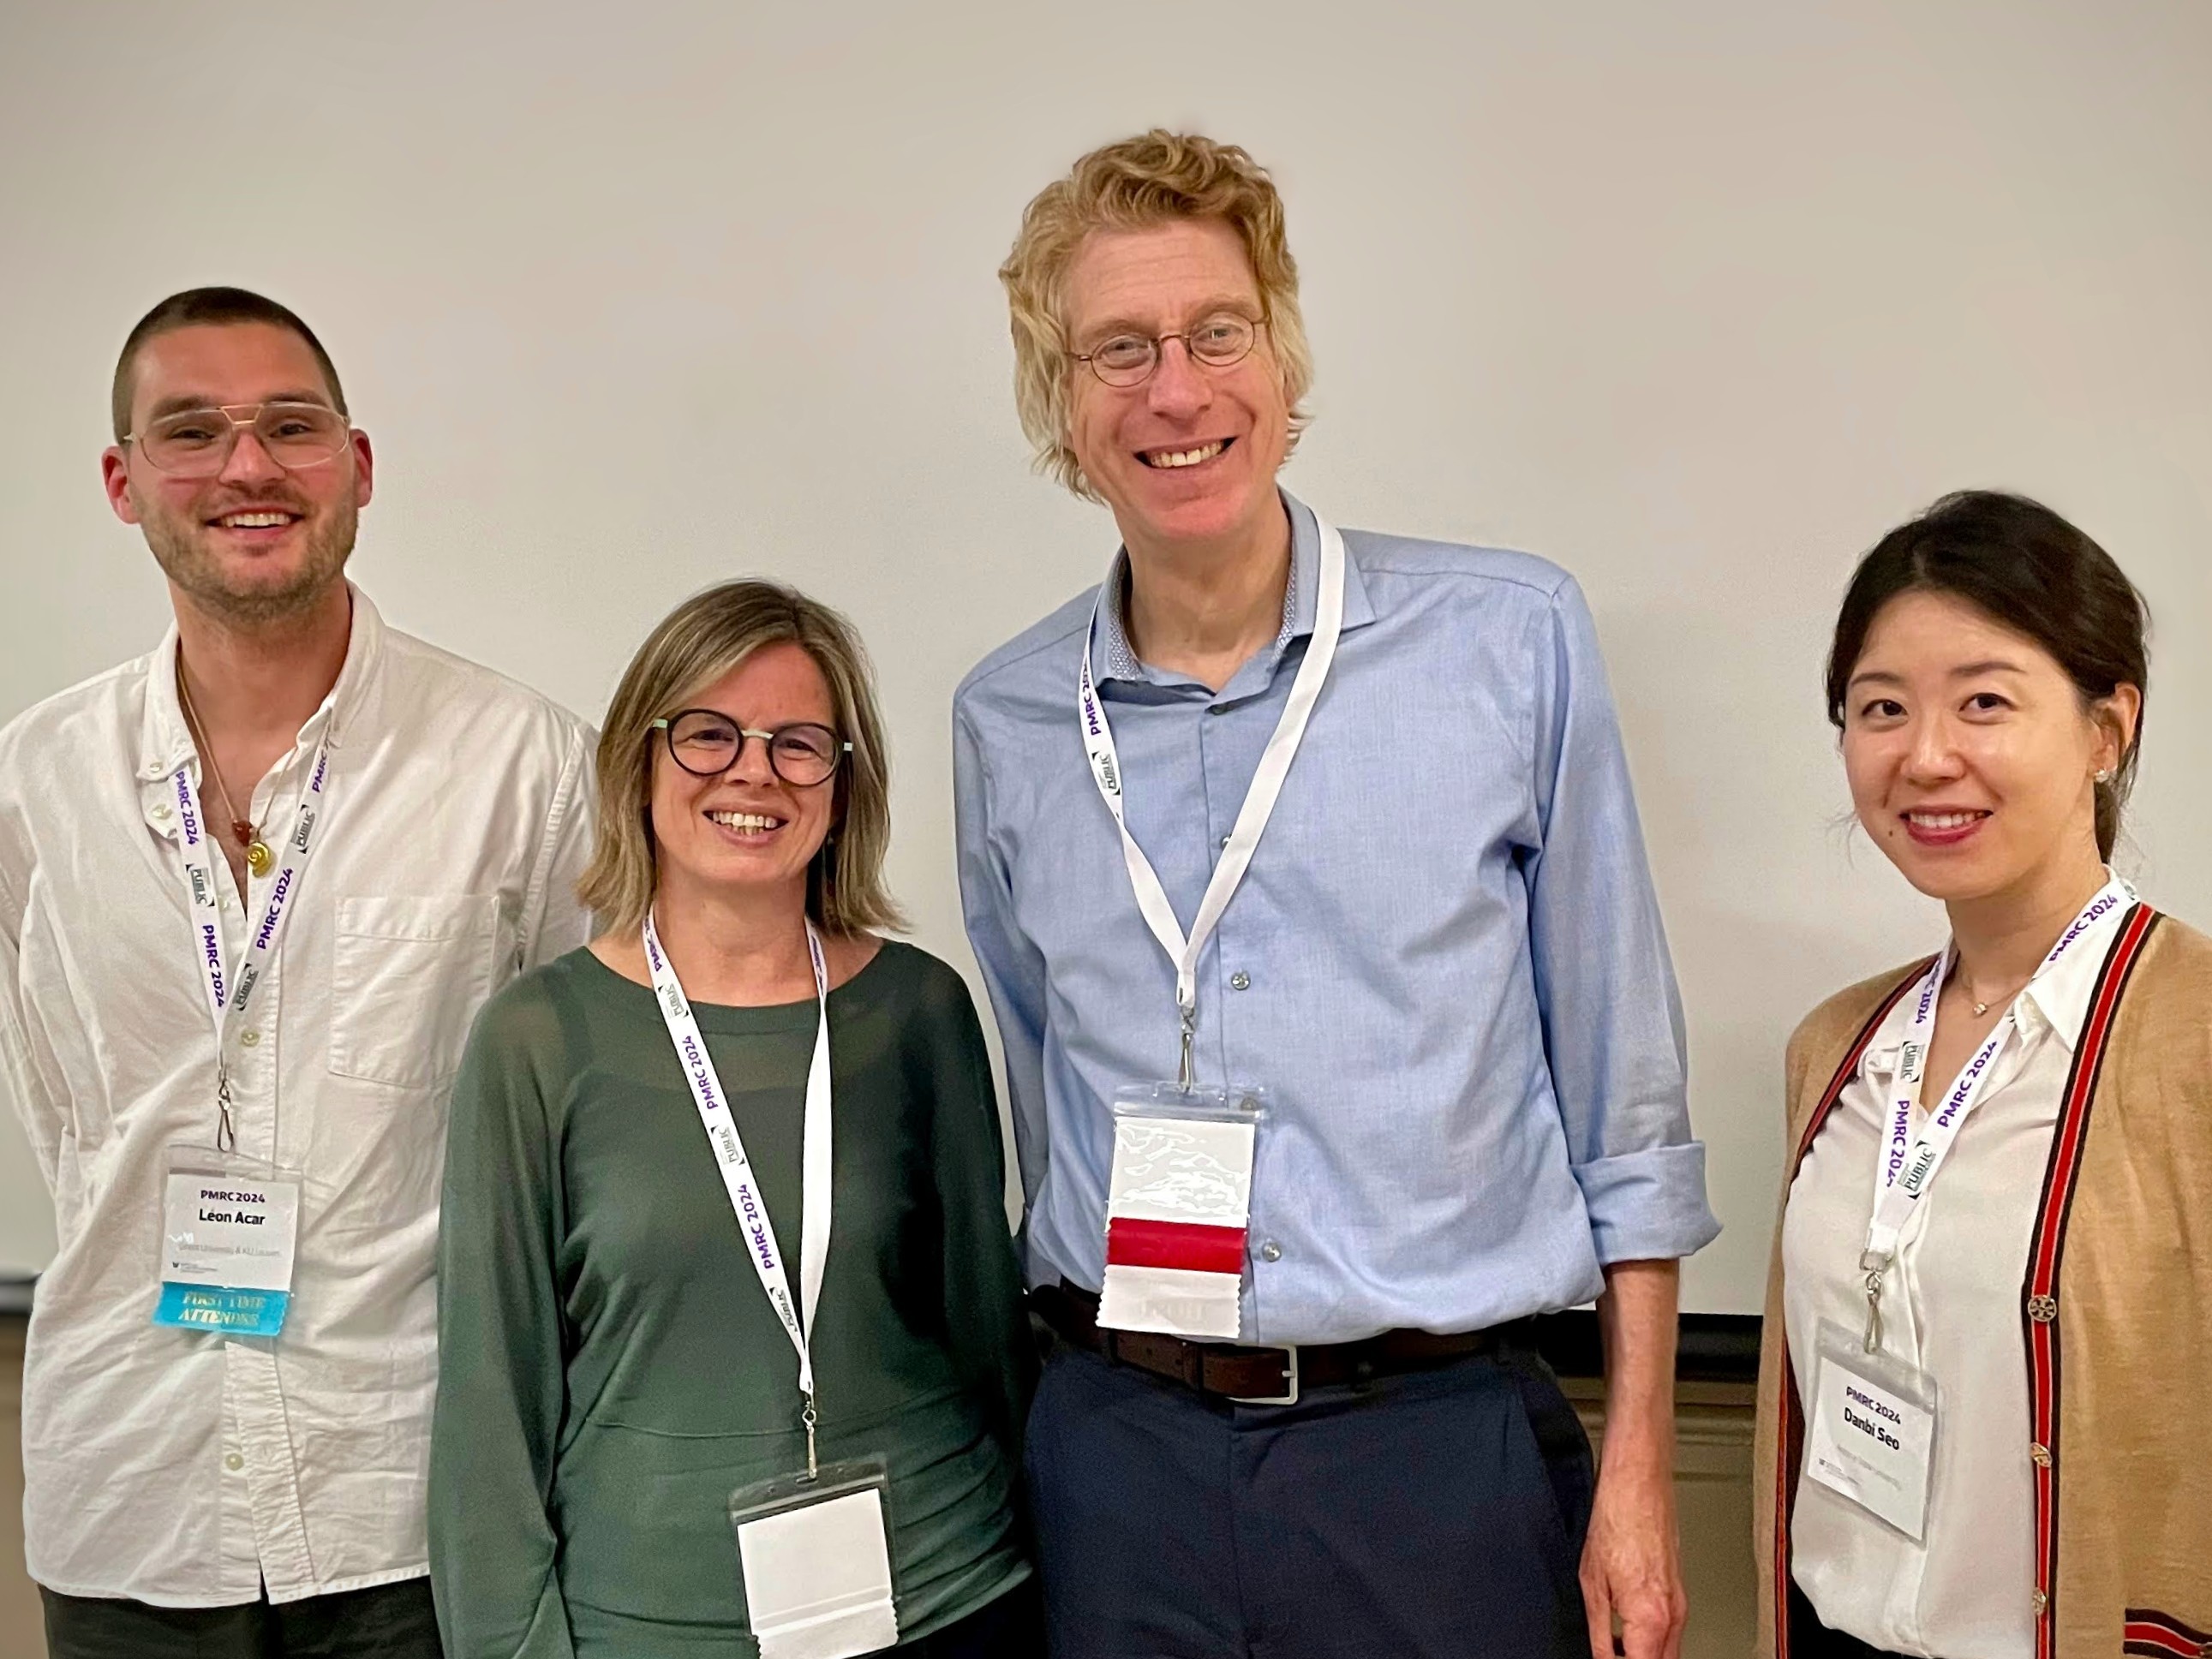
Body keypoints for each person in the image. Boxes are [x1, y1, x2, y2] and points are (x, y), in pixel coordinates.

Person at [954, 129, 1719, 1659]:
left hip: (1433, 1457)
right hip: (1124, 1457)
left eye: (1214, 332)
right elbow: (1047, 1090)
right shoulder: (1010, 719)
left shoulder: (1507, 641)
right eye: (1117, 349)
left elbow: (1624, 1105)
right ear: (1061, 408)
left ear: (1283, 359)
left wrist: (1635, 1476)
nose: (1175, 390)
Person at [0, 287, 596, 1657]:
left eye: (290, 427)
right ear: (122, 480)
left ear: (358, 466)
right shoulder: (36, 789)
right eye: (191, 432)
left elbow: (584, 1133)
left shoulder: (522, 766)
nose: (248, 467)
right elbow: (66, 1118)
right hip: (131, 1488)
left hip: (411, 1506)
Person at [430, 579, 1038, 1657]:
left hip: (941, 1593)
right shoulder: (537, 1037)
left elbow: (987, 1337)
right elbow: (492, 1402)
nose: (752, 771)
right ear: (640, 758)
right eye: (708, 734)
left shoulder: (915, 1011)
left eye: (798, 743)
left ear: (842, 786)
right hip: (649, 1620)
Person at [1751, 492, 2212, 1659]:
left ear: (2107, 728)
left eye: (1984, 703)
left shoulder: (2193, 1036)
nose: (1924, 756)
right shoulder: (1836, 1046)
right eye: (1880, 709)